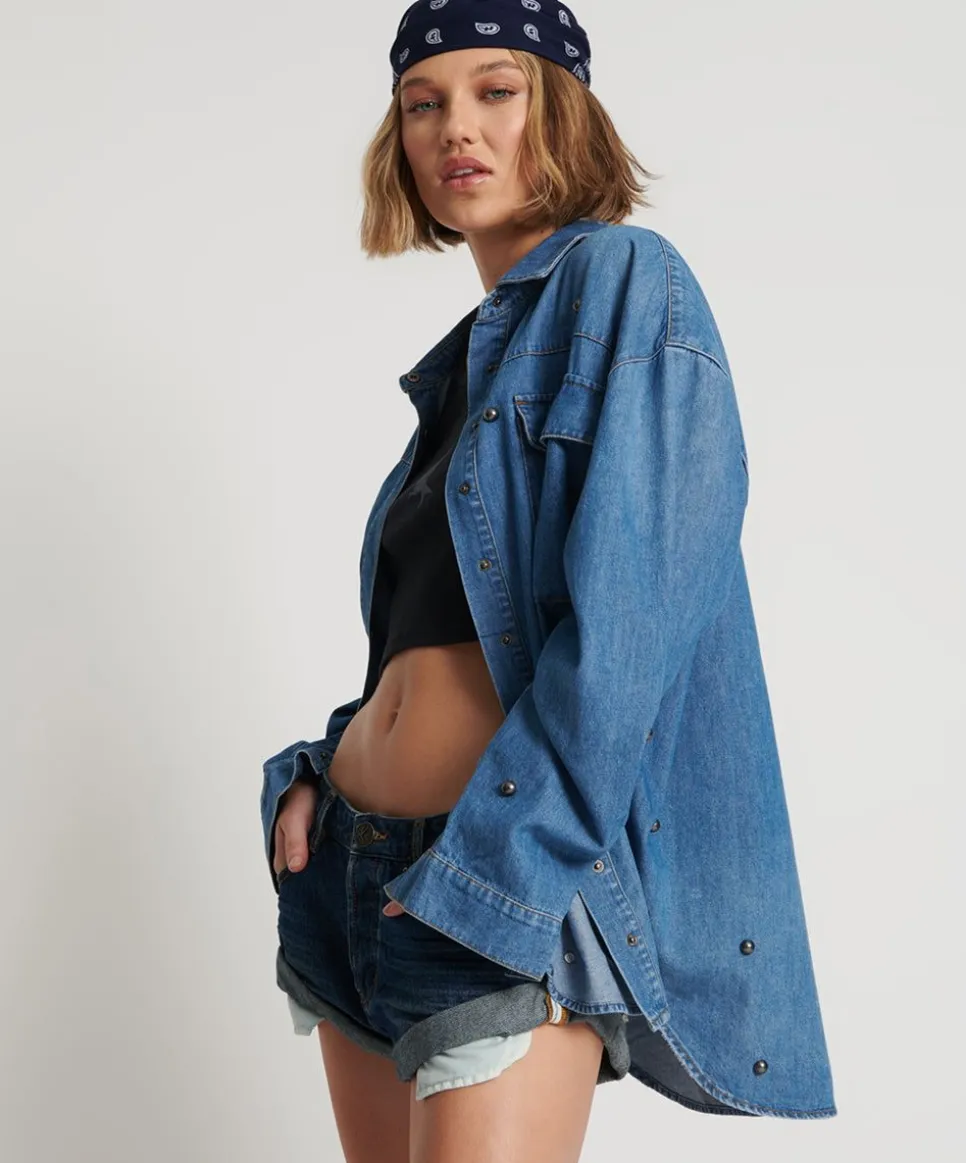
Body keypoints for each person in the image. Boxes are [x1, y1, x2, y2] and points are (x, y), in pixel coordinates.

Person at [259, 2, 837, 1158]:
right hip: (351, 874)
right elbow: (443, 641)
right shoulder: (461, 377)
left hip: (496, 882)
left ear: (562, 109)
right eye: (422, 104)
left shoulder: (628, 283)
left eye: (496, 91)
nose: (454, 129)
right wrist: (322, 769)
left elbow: (627, 637)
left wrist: (501, 869)